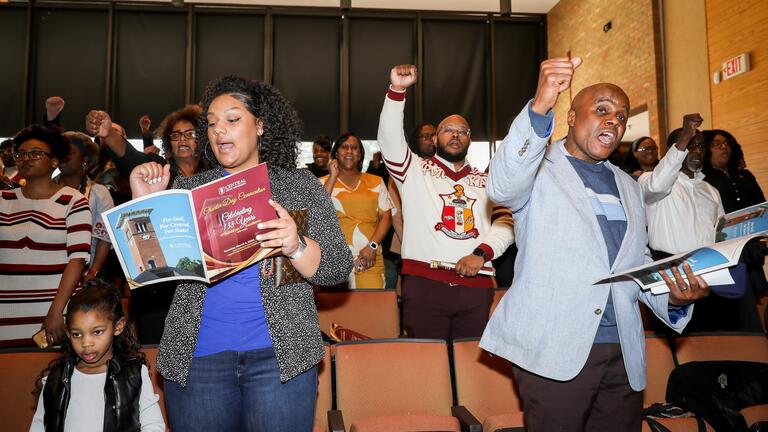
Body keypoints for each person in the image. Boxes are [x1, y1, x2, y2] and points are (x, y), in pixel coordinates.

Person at [480, 57, 710, 431]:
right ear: (570, 117)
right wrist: (540, 105)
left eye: (621, 116)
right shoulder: (539, 170)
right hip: (555, 347)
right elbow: (501, 185)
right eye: (601, 110)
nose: (614, 121)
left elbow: (636, 262)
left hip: (623, 349)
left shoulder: (629, 185)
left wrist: (671, 297)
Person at [126, 75, 352, 430]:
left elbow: (338, 267)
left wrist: (296, 245)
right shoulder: (187, 189)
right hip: (197, 360)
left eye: (233, 120)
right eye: (212, 124)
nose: (220, 132)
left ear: (260, 125)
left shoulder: (299, 185)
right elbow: (149, 274)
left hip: (281, 359)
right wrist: (143, 203)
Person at [378, 65, 515, 341]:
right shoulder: (414, 171)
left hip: (476, 286)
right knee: (427, 365)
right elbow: (390, 140)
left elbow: (507, 224)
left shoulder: (488, 181)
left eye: (462, 131)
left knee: (469, 366)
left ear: (469, 140)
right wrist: (397, 91)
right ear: (434, 138)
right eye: (447, 130)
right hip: (425, 283)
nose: (455, 135)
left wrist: (481, 254)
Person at [86, 105, 208, 344]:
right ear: (168, 141)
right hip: (159, 284)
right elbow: (129, 157)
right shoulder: (156, 169)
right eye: (176, 134)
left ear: (203, 138)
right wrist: (108, 132)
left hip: (205, 282)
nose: (182, 139)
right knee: (157, 348)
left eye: (190, 133)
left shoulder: (217, 175)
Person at [30, 280, 165, 431]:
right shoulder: (55, 378)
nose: (86, 343)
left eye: (97, 332)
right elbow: (39, 426)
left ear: (118, 326)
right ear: (68, 333)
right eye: (77, 334)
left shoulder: (134, 374)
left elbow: (154, 426)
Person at [0, 126, 92, 347]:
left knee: (48, 378)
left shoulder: (74, 200)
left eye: (35, 153)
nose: (26, 158)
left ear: (54, 161)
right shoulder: (2, 199)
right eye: (20, 154)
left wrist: (56, 311)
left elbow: (77, 260)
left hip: (50, 310)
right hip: (6, 311)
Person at [640, 114, 724, 255]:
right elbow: (657, 186)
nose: (698, 151)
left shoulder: (711, 191)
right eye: (690, 146)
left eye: (701, 146)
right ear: (670, 150)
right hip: (669, 268)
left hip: (709, 266)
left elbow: (721, 233)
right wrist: (685, 137)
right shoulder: (649, 179)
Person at [322, 132, 393, 288]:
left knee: (371, 310)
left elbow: (387, 217)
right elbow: (319, 211)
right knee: (337, 312)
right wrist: (333, 176)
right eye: (344, 147)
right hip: (333, 262)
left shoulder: (375, 181)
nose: (349, 151)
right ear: (335, 154)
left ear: (360, 155)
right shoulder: (322, 182)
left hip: (369, 258)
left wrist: (372, 247)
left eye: (354, 148)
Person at [54, 132, 115, 282]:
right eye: (61, 151)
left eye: (71, 152)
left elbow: (104, 238)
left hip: (83, 273)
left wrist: (93, 273)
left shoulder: (98, 193)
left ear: (85, 159)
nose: (64, 156)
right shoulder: (44, 188)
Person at [703, 129, 765, 213]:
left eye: (726, 143)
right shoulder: (703, 180)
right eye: (716, 144)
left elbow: (762, 205)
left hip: (757, 224)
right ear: (705, 150)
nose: (724, 147)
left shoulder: (745, 175)